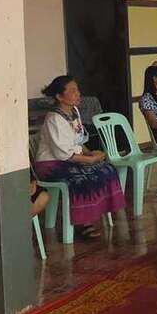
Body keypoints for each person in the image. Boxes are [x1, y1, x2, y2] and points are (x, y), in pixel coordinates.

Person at [33, 76, 125, 240]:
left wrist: (90, 153)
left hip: (71, 160)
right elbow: (63, 154)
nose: (78, 94)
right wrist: (90, 160)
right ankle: (83, 223)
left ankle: (100, 211)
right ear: (59, 97)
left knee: (107, 168)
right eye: (73, 91)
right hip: (50, 165)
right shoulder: (54, 119)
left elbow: (79, 140)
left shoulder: (74, 112)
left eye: (77, 89)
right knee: (81, 178)